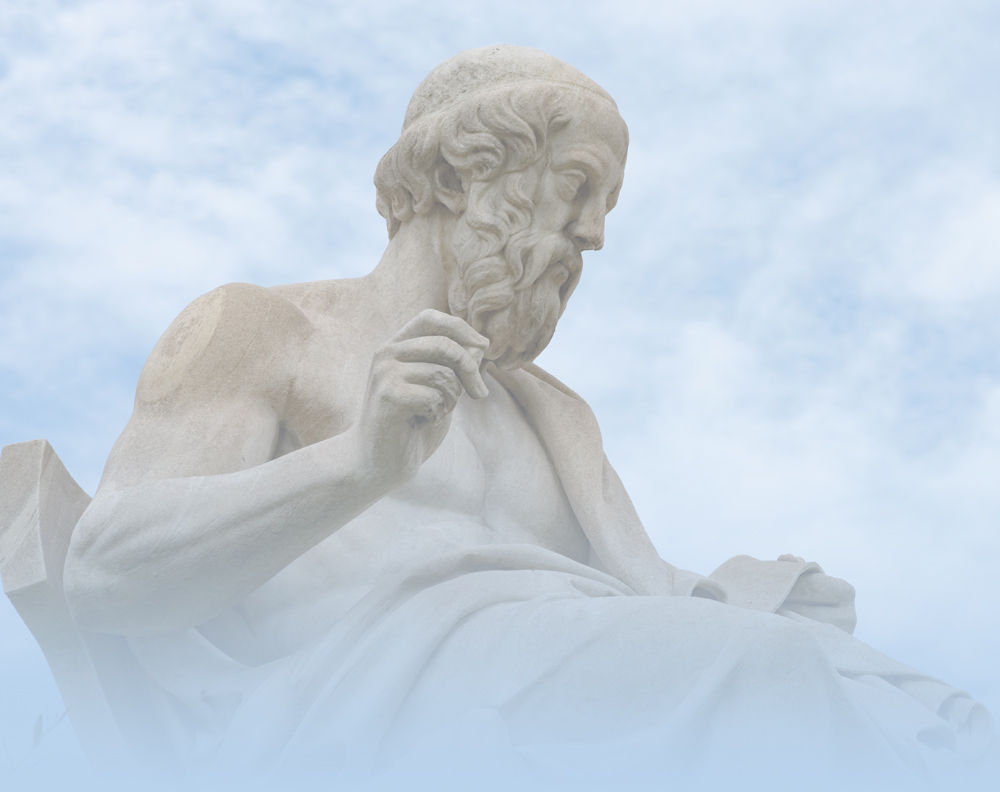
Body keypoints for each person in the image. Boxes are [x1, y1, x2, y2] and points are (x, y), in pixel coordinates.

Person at [62, 45, 994, 789]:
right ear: (461, 176)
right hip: (359, 698)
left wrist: (741, 595)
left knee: (936, 715)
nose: (594, 234)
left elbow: (635, 605)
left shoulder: (552, 416)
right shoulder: (268, 330)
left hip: (559, 689)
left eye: (606, 205)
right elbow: (103, 570)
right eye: (577, 186)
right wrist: (358, 464)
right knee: (775, 677)